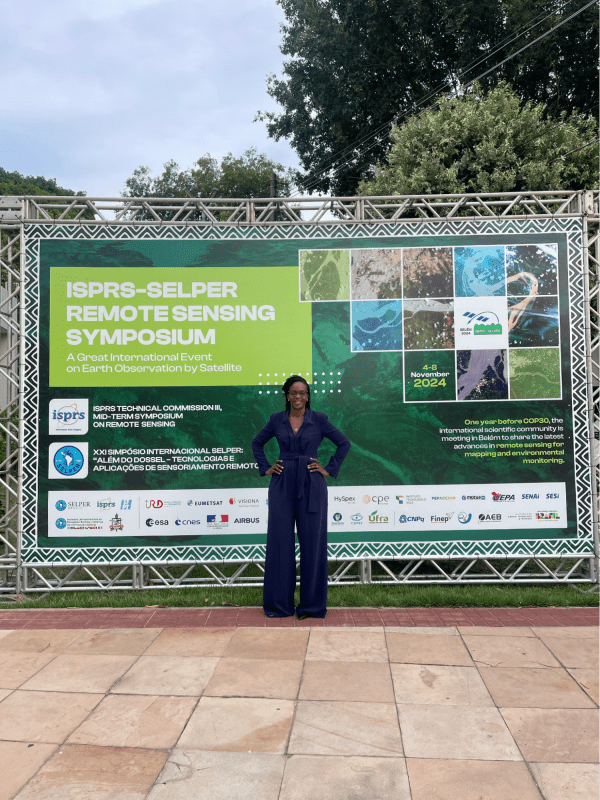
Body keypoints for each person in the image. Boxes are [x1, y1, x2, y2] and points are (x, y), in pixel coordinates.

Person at [252, 375, 351, 619]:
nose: (298, 397)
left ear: (308, 396)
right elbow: (257, 443)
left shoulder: (319, 419)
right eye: (294, 392)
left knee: (313, 545)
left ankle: (312, 606)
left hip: (311, 484)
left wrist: (328, 468)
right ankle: (279, 605)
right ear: (287, 395)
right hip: (282, 484)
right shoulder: (277, 419)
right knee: (279, 544)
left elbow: (343, 443)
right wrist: (265, 467)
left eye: (303, 392)